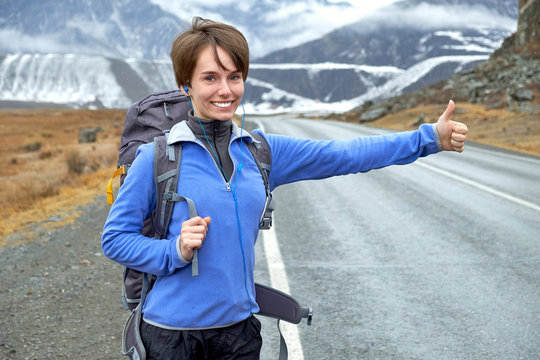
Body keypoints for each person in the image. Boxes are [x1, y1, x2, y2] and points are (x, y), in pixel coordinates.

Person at [101, 17, 468, 359]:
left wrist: (430, 138)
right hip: (171, 336)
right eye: (210, 78)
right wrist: (174, 251)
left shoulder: (261, 152)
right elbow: (115, 238)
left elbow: (346, 153)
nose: (226, 90)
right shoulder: (158, 158)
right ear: (187, 86)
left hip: (239, 334)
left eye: (234, 76)